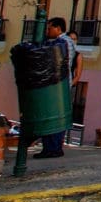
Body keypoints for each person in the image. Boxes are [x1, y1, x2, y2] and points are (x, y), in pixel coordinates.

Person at [35, 17, 75, 159]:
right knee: (55, 116)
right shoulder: (63, 42)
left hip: (58, 86)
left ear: (58, 28)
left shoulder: (64, 42)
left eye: (50, 28)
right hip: (59, 85)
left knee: (54, 116)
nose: (47, 31)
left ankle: (53, 148)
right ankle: (52, 148)